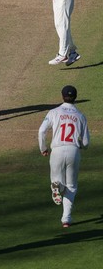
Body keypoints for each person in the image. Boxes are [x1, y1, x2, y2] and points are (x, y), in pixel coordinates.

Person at [38, 85, 90, 227]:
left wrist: (43, 148)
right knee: (72, 186)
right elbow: (85, 143)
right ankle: (66, 218)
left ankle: (58, 187)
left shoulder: (53, 112)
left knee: (57, 181)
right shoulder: (80, 116)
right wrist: (80, 145)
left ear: (62, 96)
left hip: (57, 150)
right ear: (76, 97)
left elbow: (41, 131)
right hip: (73, 151)